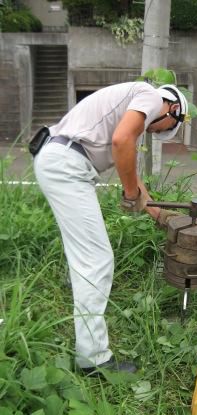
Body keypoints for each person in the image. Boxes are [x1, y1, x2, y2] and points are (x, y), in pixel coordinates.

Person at [33, 81, 188, 374]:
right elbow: (120, 142)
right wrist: (130, 195)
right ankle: (93, 360)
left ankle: (79, 288)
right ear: (174, 109)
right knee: (96, 259)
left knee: (84, 250)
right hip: (68, 165)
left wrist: (160, 216)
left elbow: (132, 175)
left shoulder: (130, 103)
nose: (156, 132)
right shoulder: (151, 97)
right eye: (162, 128)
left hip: (58, 158)